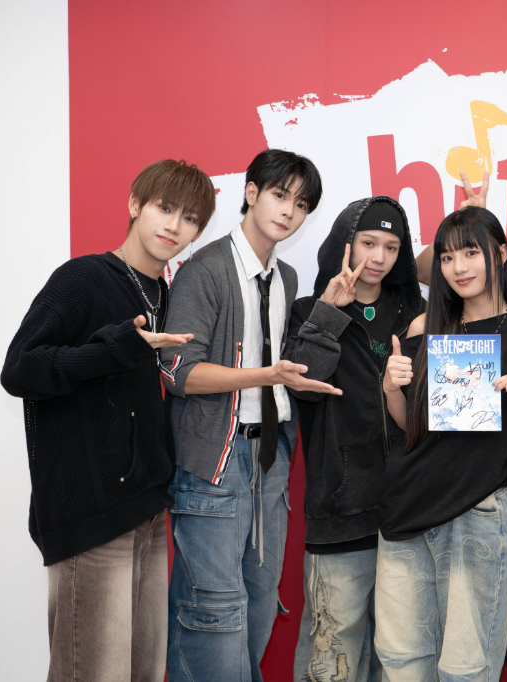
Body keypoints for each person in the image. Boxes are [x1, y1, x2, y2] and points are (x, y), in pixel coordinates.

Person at [1, 159, 215, 681]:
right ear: (135, 205)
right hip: (90, 513)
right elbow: (20, 370)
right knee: (91, 671)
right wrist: (113, 348)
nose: (174, 226)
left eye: (190, 218)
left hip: (146, 509)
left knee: (143, 670)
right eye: (165, 208)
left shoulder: (165, 294)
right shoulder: (83, 278)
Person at [159, 149, 339, 682]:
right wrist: (265, 375)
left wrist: (328, 311)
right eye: (280, 195)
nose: (288, 211)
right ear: (251, 192)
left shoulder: (286, 277)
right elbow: (179, 373)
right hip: (216, 459)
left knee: (260, 602)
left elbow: (291, 368)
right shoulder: (205, 269)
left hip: (270, 459)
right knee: (212, 611)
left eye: (301, 204)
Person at [375, 205, 507, 682]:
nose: (458, 267)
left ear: (500, 254)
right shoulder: (425, 328)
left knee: (466, 668)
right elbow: (409, 424)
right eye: (446, 257)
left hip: (477, 513)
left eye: (470, 253)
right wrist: (391, 388)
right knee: (402, 662)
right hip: (407, 509)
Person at [285, 196, 423, 682]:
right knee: (333, 654)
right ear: (346, 244)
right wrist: (328, 312)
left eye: (391, 246)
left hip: (407, 513)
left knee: (400, 656)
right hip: (339, 510)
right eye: (368, 243)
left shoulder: (416, 313)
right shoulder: (308, 311)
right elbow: (303, 385)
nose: (378, 257)